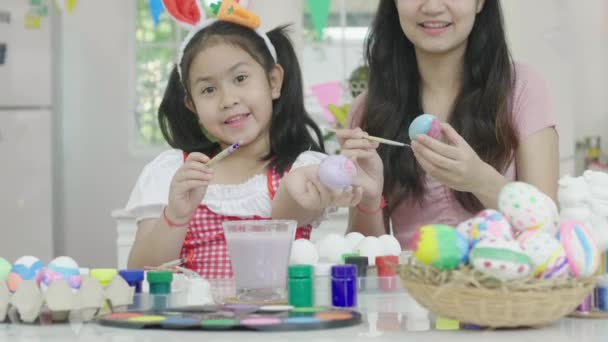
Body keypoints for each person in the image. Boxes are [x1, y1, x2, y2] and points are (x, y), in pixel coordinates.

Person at [125, 0, 362, 278]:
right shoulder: (171, 172)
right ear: (192, 105)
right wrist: (175, 217)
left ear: (274, 82)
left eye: (240, 78)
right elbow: (139, 273)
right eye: (209, 89)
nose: (228, 100)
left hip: (281, 320)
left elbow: (289, 210)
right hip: (193, 321)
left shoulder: (300, 168)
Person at [337, 0, 559, 248]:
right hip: (413, 286)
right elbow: (364, 255)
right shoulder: (367, 110)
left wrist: (479, 179)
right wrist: (369, 201)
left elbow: (547, 225)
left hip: (507, 283)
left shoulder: (522, 88)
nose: (432, 7)